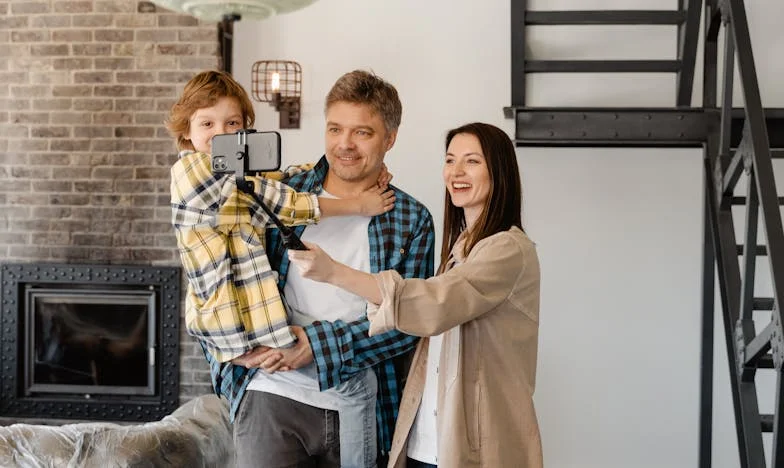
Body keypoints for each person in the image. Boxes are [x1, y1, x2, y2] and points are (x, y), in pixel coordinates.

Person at [204, 70, 436, 468]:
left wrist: (317, 344)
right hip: (270, 396)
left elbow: (409, 324)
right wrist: (230, 356)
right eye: (335, 129)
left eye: (362, 132)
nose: (344, 144)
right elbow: (218, 274)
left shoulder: (411, 220)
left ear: (390, 139)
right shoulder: (281, 194)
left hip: (362, 401)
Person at [288, 122, 544, 468]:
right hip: (426, 443)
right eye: (450, 160)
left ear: (499, 172)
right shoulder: (460, 251)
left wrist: (334, 272)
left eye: (472, 161)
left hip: (475, 445)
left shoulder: (508, 249)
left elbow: (435, 304)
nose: (456, 172)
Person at [166, 70, 395, 363]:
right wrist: (358, 205)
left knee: (277, 362)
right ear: (186, 130)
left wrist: (352, 166)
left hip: (249, 315)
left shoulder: (236, 172)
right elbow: (282, 202)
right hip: (222, 317)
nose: (222, 133)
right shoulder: (192, 172)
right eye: (207, 124)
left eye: (232, 123)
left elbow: (280, 179)